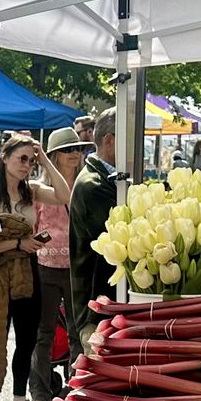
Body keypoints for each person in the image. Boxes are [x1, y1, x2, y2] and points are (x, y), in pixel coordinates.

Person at [0, 133, 71, 401]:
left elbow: (64, 195)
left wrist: (45, 160)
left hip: (29, 273)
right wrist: (18, 243)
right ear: (5, 158)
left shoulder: (32, 192)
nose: (27, 165)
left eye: (31, 160)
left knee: (27, 340)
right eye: (21, 159)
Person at [28, 128, 91, 401]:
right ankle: (39, 393)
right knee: (43, 333)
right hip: (45, 269)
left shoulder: (85, 185)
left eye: (78, 149)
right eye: (68, 150)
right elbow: (31, 228)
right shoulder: (39, 190)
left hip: (77, 268)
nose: (75, 154)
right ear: (53, 156)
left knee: (79, 331)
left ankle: (76, 388)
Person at [67, 110, 120, 352]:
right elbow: (119, 236)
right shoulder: (93, 186)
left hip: (104, 307)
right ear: (109, 141)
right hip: (95, 312)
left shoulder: (106, 179)